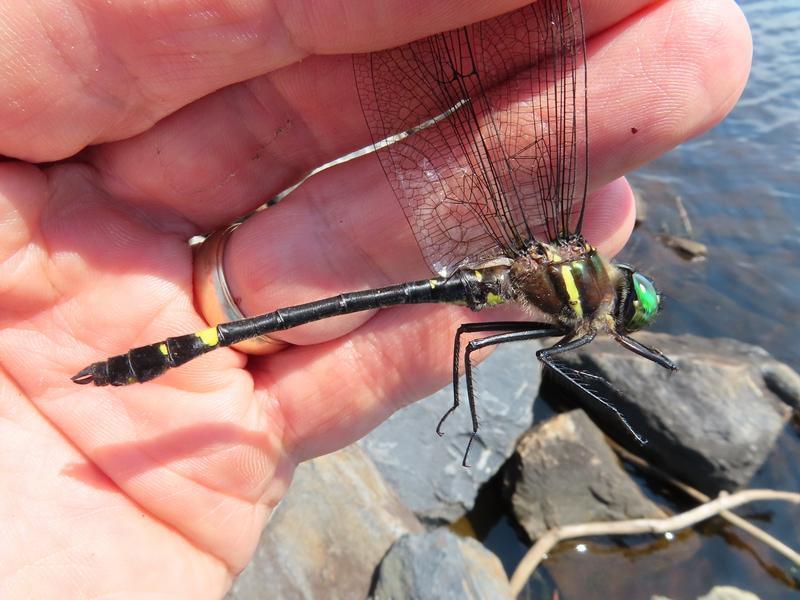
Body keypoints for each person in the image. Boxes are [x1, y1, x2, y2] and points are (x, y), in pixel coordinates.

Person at [0, 0, 751, 596]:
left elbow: (477, 340)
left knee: (463, 334)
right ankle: (183, 349)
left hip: (473, 270)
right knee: (462, 335)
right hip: (465, 278)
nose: (616, 312)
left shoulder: (567, 265)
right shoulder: (577, 301)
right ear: (610, 301)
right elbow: (502, 344)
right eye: (622, 308)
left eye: (624, 309)